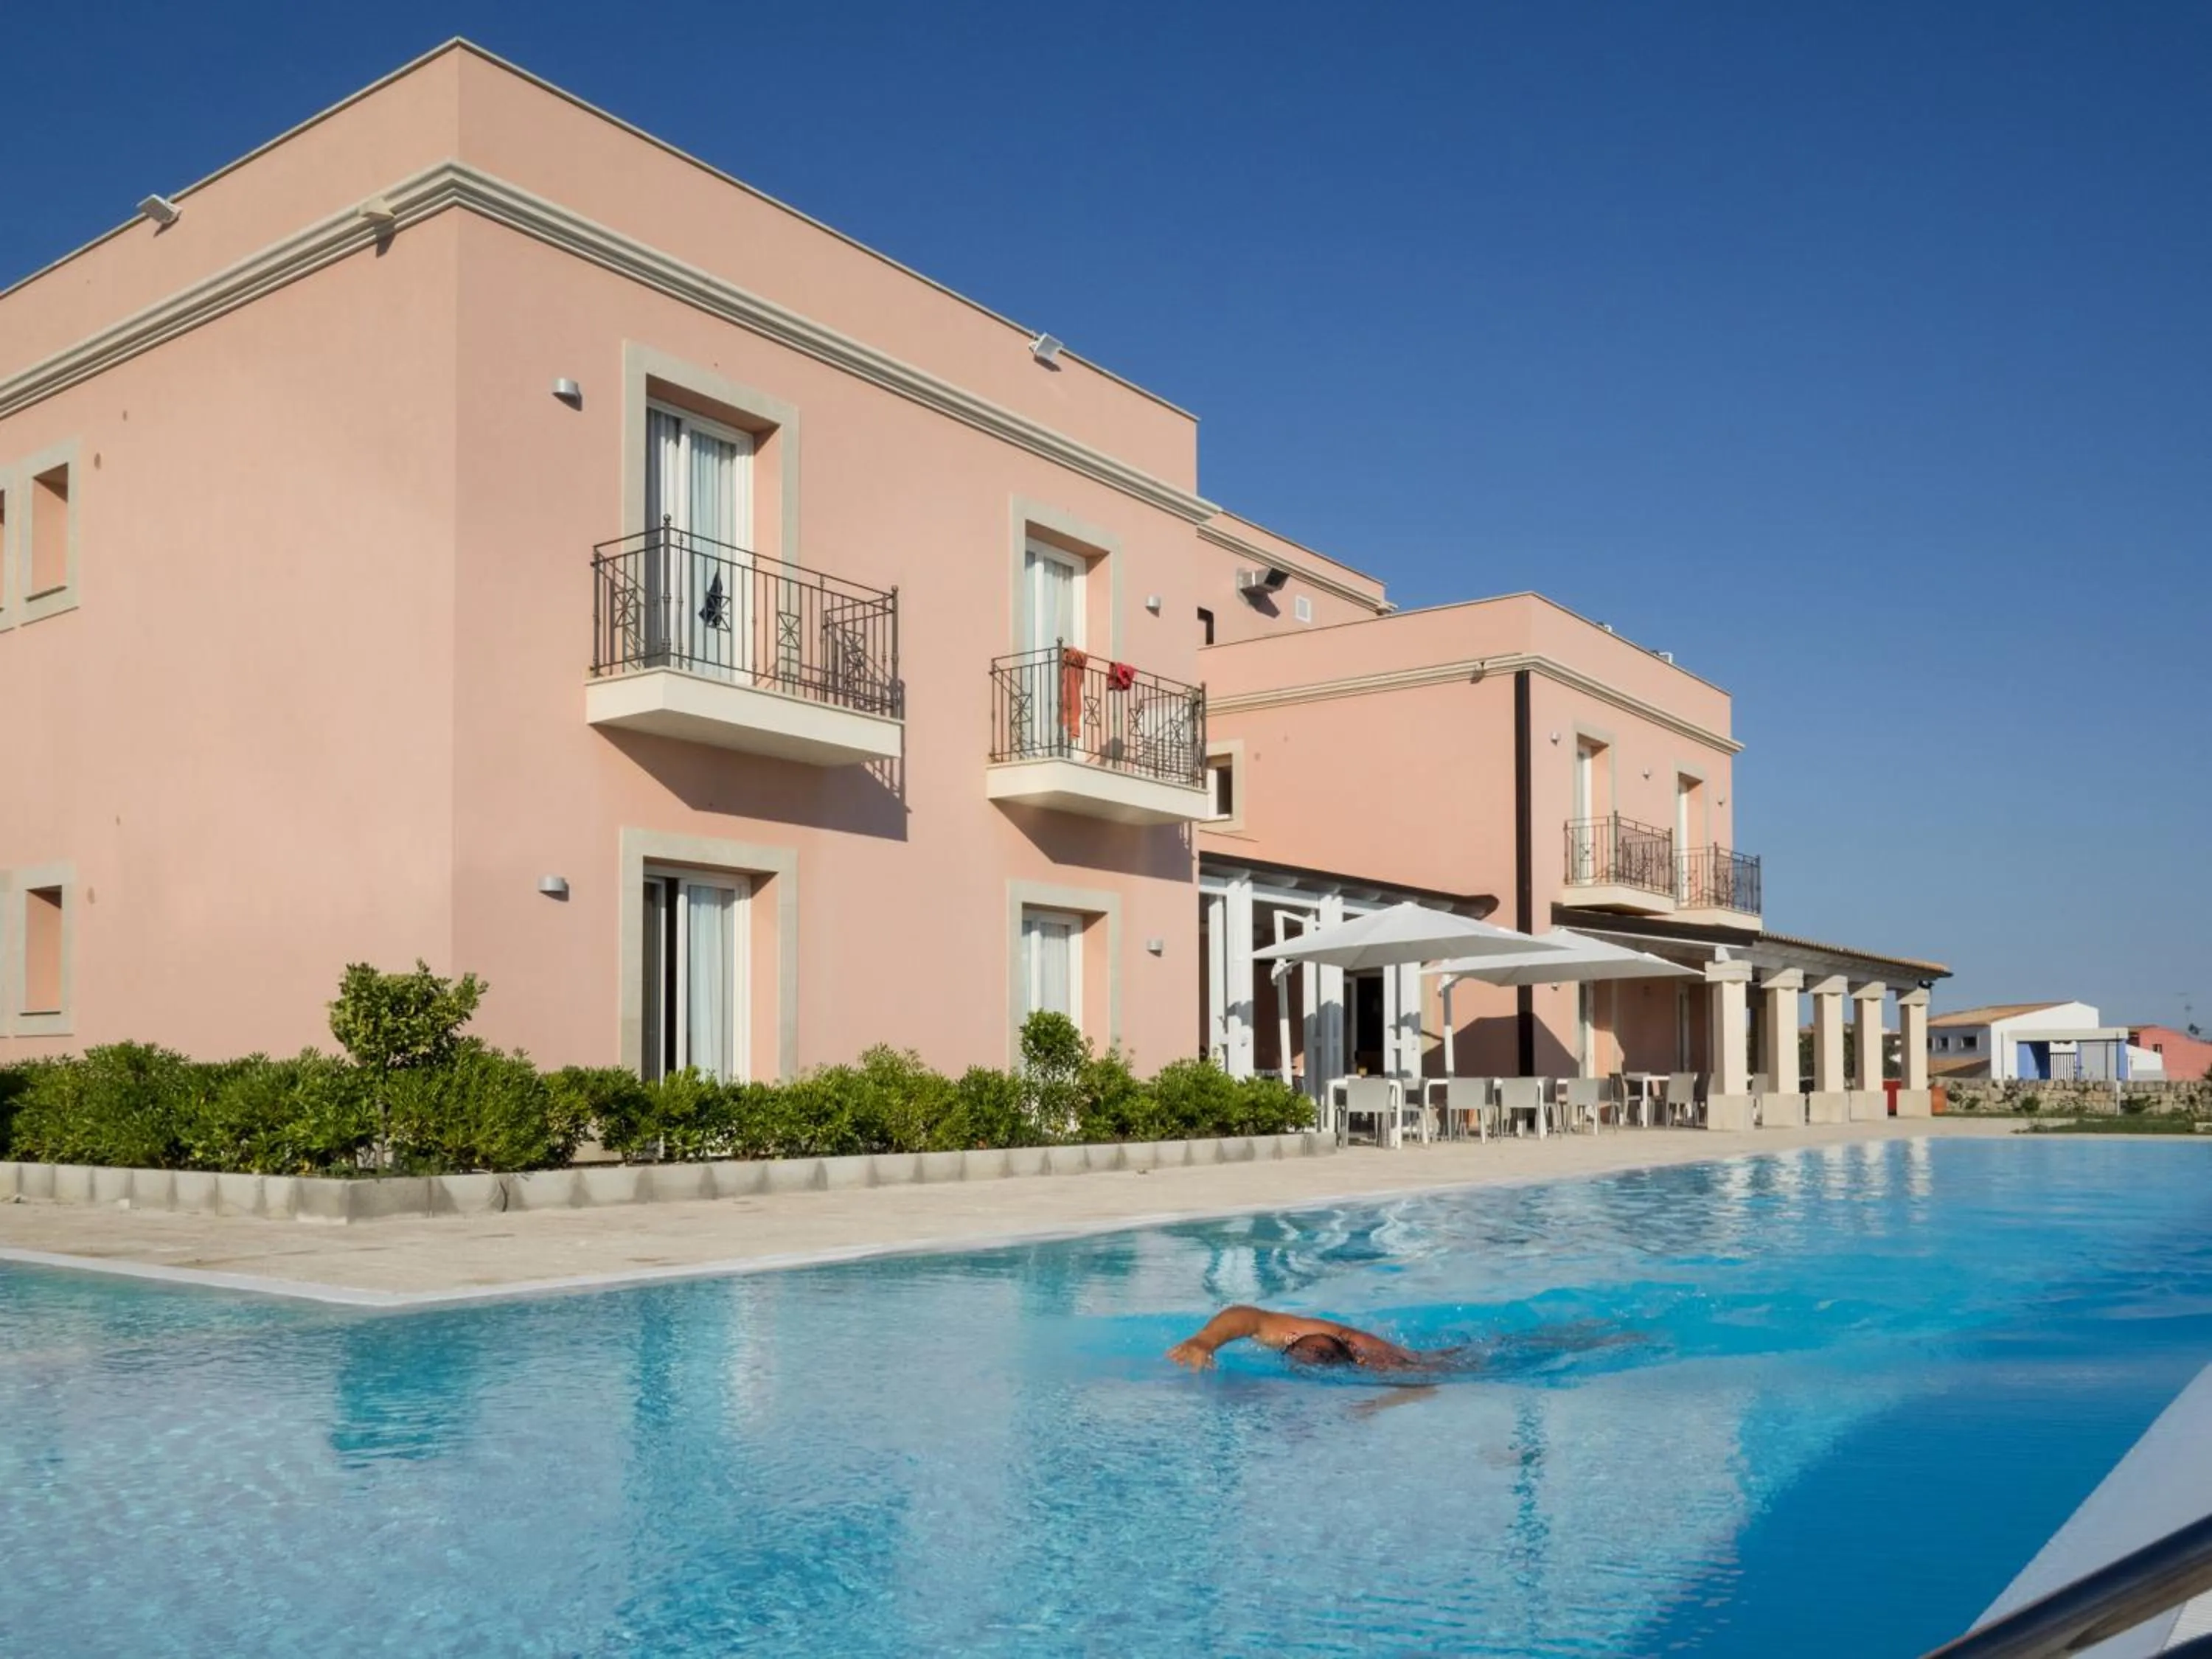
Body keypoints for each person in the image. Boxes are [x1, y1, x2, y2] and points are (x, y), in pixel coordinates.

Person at [1166, 1305, 1455, 1374]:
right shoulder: (1303, 1337)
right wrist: (1205, 1341)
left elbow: (1424, 1384)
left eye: (1319, 1358)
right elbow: (1249, 1317)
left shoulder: (1375, 1359)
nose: (1306, 1357)